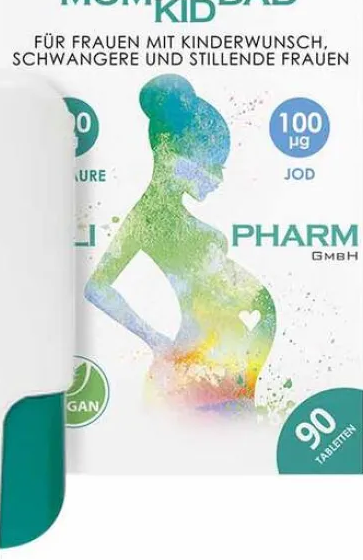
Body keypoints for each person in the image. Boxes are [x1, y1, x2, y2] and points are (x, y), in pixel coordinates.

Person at [85, 74, 276, 413]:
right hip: (199, 375)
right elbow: (96, 286)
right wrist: (154, 339)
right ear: (172, 155)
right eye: (212, 165)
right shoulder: (148, 216)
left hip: (222, 371)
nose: (218, 178)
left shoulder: (168, 214)